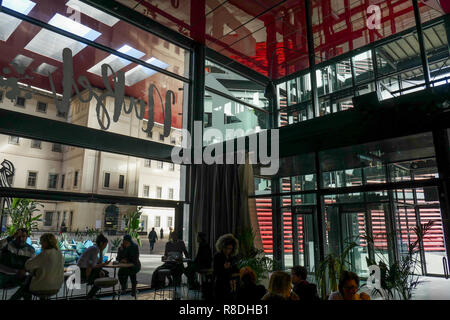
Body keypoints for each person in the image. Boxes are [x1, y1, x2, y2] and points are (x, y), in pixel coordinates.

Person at [0, 228, 35, 300]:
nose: (21, 238)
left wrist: (25, 269)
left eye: (23, 236)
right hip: (3, 274)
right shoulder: (8, 244)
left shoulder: (30, 250)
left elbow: (32, 264)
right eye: (19, 236)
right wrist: (12, 236)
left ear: (27, 237)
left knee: (28, 285)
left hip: (18, 276)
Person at [77, 234, 111, 299]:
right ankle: (90, 296)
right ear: (101, 243)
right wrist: (104, 265)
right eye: (105, 245)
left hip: (83, 270)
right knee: (104, 276)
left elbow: (99, 262)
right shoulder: (94, 250)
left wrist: (101, 251)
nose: (105, 246)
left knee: (104, 274)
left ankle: (91, 295)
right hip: (82, 271)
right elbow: (93, 266)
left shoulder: (95, 248)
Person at [213, 233, 239, 301]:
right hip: (221, 285)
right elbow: (215, 272)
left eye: (230, 249)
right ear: (222, 246)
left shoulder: (232, 257)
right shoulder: (217, 256)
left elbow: (235, 269)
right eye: (226, 248)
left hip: (231, 285)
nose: (227, 250)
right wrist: (223, 268)